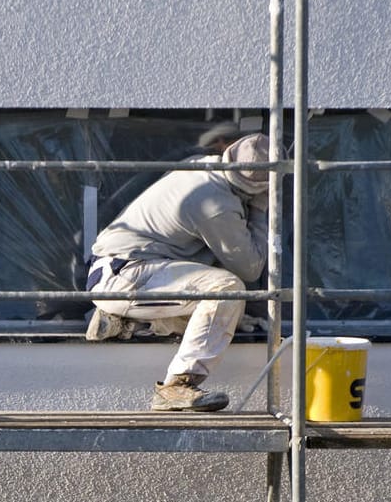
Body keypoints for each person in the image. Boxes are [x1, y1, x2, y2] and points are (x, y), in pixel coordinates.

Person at [84, 133, 273, 412]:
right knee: (227, 290)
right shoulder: (214, 204)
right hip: (125, 275)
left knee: (222, 316)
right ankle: (178, 386)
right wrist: (260, 208)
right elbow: (250, 268)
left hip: (124, 267)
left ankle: (130, 322)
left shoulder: (201, 165)